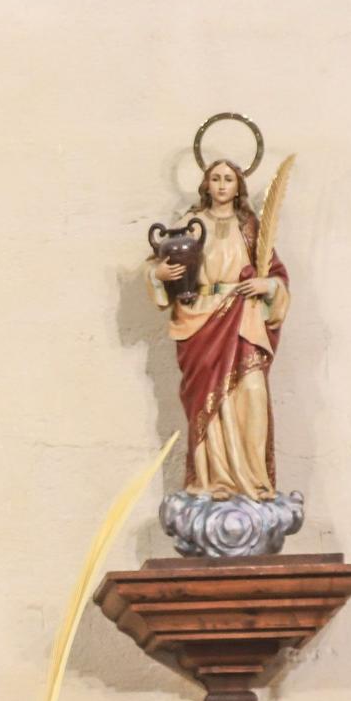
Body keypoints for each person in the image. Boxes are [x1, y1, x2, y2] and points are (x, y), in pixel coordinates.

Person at [147, 158, 291, 501]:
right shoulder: (189, 225)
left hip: (243, 320)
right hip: (201, 322)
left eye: (229, 179)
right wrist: (158, 276)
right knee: (209, 405)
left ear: (239, 185)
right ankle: (217, 482)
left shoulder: (250, 228)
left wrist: (267, 286)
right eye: (216, 178)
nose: (223, 185)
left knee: (252, 393)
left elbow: (277, 275)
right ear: (206, 184)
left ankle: (254, 480)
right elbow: (158, 265)